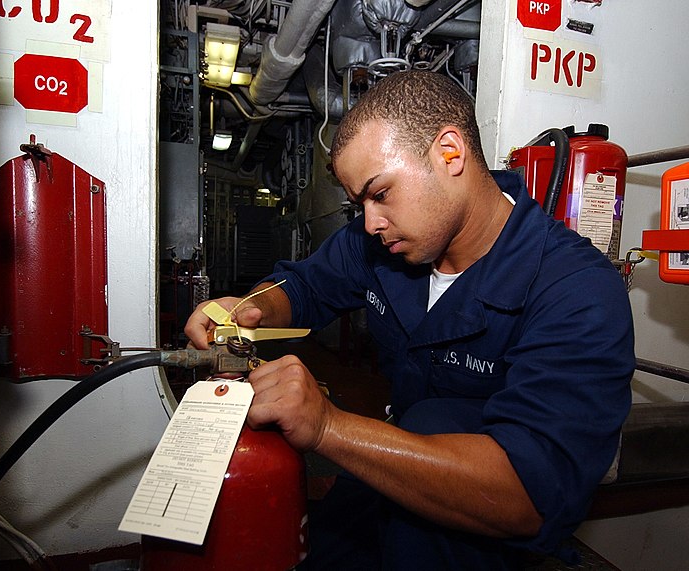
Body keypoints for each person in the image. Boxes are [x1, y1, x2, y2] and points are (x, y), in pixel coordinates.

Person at [184, 70, 634, 570]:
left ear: (449, 153)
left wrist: (328, 426)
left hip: (486, 528)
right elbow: (305, 285)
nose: (370, 223)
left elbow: (527, 494)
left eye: (380, 193)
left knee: (435, 425)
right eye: (359, 204)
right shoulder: (381, 243)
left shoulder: (576, 288)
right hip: (392, 464)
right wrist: (251, 308)